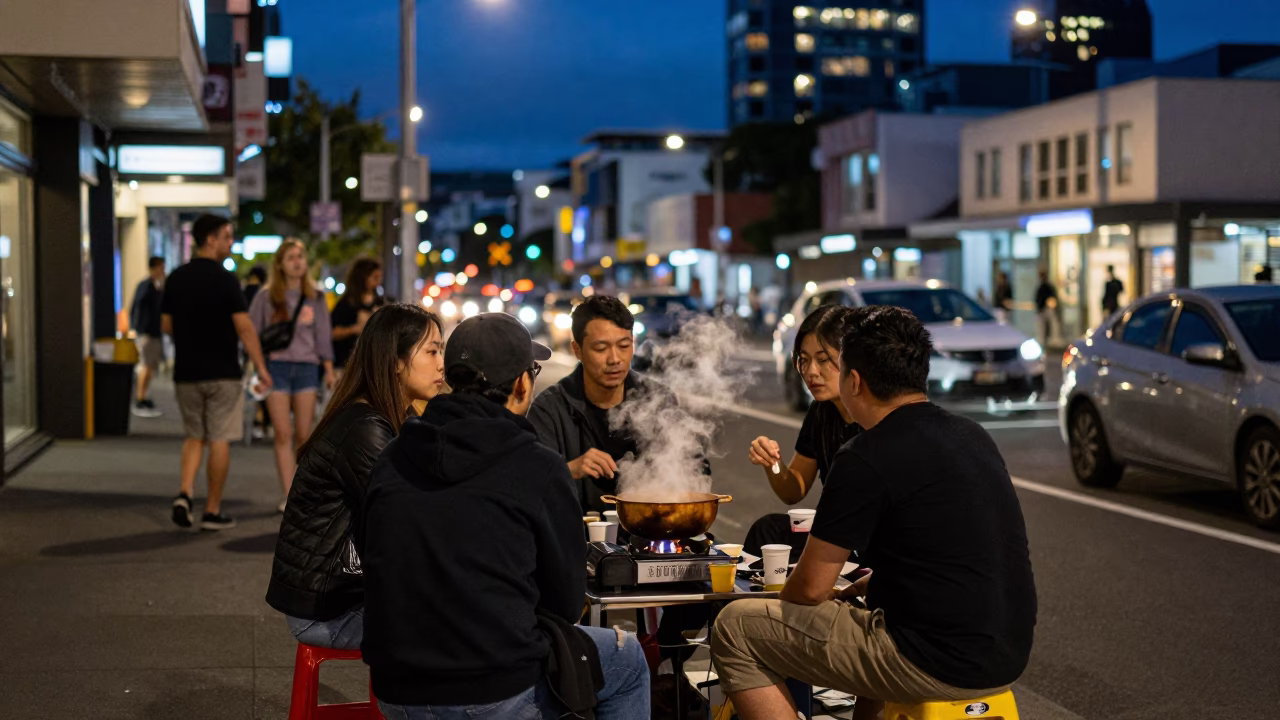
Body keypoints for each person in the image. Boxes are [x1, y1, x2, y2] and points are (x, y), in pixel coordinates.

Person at [712, 306, 1037, 720]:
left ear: (854, 380)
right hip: (1008, 655)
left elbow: (808, 590)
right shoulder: (972, 435)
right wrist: (872, 581)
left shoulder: (865, 455)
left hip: (931, 661)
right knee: (867, 612)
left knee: (736, 627)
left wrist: (798, 597)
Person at [361, 312, 650, 720]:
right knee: (627, 660)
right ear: (521, 383)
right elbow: (566, 604)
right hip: (493, 687)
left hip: (394, 687)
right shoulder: (538, 466)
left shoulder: (394, 454)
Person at [266, 304, 444, 650]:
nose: (442, 363)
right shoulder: (365, 429)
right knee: (470, 624)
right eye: (433, 351)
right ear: (395, 361)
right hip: (328, 610)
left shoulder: (386, 416)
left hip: (346, 595)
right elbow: (415, 515)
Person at [529, 295, 693, 514]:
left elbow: (695, 466)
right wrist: (569, 470)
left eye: (624, 346)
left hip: (649, 531)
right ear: (577, 350)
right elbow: (529, 485)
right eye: (601, 348)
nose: (615, 359)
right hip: (578, 539)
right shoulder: (550, 409)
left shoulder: (659, 399)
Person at [161, 214, 272, 531]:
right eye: (226, 236)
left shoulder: (176, 277)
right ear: (210, 239)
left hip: (187, 371)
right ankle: (211, 510)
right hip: (223, 371)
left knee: (194, 435)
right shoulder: (226, 280)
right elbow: (245, 328)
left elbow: (166, 325)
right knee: (219, 438)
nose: (230, 242)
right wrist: (261, 368)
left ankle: (185, 492)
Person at [745, 305, 859, 563]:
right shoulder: (822, 411)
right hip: (831, 532)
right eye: (803, 360)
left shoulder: (875, 414)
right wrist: (773, 463)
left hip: (868, 539)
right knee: (768, 530)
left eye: (823, 359)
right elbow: (793, 490)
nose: (811, 371)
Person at [250, 240, 336, 513]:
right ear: (280, 264)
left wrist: (329, 368)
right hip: (276, 368)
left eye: (300, 256)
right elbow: (252, 333)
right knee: (282, 433)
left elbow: (323, 335)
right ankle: (288, 495)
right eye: (290, 258)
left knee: (303, 433)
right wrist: (259, 367)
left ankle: (303, 491)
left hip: (307, 367)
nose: (297, 262)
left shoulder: (316, 296)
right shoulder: (266, 297)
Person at [331, 257, 385, 374]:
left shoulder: (380, 302)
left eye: (379, 278)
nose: (378, 282)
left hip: (373, 365)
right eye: (374, 277)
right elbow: (331, 332)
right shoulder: (346, 303)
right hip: (346, 364)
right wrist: (355, 329)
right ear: (363, 277)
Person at [131, 256, 166, 418]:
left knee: (150, 366)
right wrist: (137, 328)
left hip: (154, 332)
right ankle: (140, 398)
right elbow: (138, 307)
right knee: (146, 365)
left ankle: (143, 396)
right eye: (160, 267)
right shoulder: (146, 287)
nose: (162, 271)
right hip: (147, 332)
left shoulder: (155, 287)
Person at [1034, 269, 1059, 345]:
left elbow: (1052, 298)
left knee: (1052, 325)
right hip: (1041, 309)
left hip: (1046, 309)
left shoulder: (1048, 286)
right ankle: (1042, 341)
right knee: (1041, 328)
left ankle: (1053, 339)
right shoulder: (1041, 286)